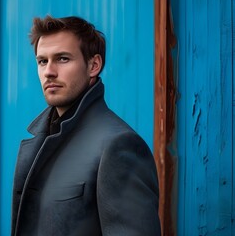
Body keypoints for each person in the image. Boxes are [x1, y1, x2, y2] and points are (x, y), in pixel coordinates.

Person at [11, 15, 161, 235]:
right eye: (42, 61)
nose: (49, 72)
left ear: (94, 65)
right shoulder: (41, 141)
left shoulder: (119, 145)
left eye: (62, 59)